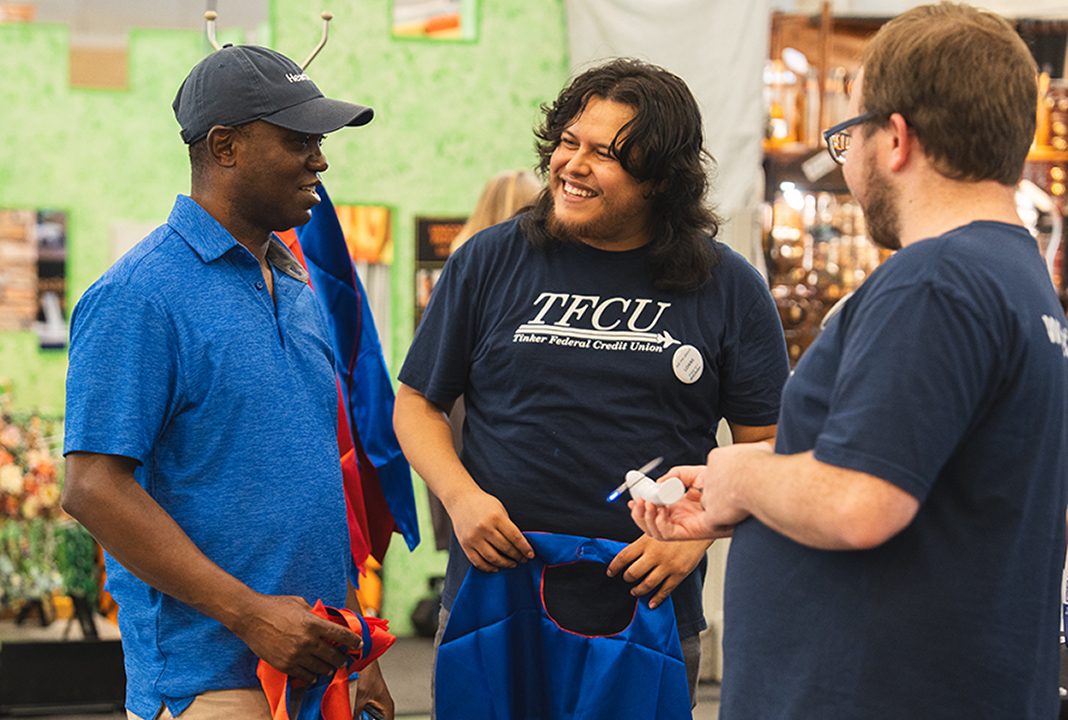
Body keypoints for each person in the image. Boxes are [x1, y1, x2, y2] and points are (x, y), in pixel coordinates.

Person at [631, 4, 1068, 718]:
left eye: (849, 135)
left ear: (895, 138)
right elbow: (932, 490)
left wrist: (740, 470)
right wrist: (733, 498)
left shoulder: (936, 282)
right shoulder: (1014, 277)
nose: (851, 159)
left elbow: (862, 503)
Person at [394, 57, 789, 715]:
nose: (572, 165)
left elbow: (771, 445)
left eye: (604, 153)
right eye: (568, 143)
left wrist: (696, 532)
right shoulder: (489, 261)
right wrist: (461, 499)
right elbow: (416, 403)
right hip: (495, 597)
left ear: (660, 178)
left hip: (647, 610)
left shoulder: (728, 286)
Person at [61, 45, 394, 720]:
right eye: (300, 140)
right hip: (209, 685)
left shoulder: (297, 288)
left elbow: (313, 484)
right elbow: (93, 487)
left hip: (318, 669)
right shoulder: (138, 295)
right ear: (226, 146)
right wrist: (250, 616)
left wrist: (364, 654)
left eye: (321, 141)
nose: (321, 161)